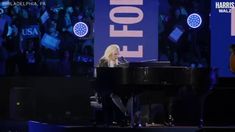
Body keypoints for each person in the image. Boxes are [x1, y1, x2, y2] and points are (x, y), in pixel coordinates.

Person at [97, 44, 129, 126]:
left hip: (115, 87)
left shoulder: (118, 62)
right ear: (110, 53)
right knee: (110, 97)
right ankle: (110, 121)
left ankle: (122, 119)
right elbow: (103, 78)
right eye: (115, 54)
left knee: (120, 96)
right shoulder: (103, 61)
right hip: (105, 88)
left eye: (117, 54)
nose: (117, 56)